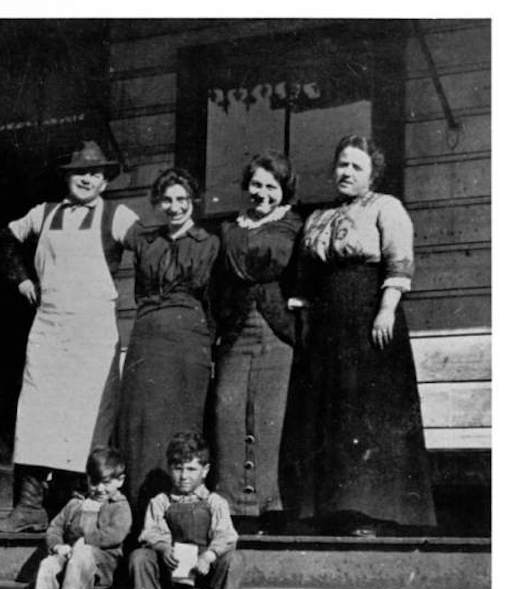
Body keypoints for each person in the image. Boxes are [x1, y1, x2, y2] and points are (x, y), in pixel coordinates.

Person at [286, 135, 436, 537]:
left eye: (356, 166)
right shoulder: (317, 217)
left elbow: (399, 261)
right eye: (341, 165)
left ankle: (368, 512)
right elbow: (304, 278)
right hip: (327, 327)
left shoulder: (386, 208)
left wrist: (386, 309)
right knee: (328, 412)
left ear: (372, 173)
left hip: (370, 320)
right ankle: (327, 510)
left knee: (365, 412)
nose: (346, 172)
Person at [0, 141, 139, 533]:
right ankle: (29, 508)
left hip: (92, 334)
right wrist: (21, 279)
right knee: (37, 416)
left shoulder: (116, 215)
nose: (87, 178)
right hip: (51, 330)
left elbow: (151, 247)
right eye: (79, 172)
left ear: (105, 181)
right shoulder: (44, 213)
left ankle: (73, 510)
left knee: (85, 420)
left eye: (95, 173)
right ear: (67, 177)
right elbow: (3, 239)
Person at [116, 168, 219, 515]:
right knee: (141, 424)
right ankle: (139, 510)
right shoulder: (147, 242)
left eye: (182, 200)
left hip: (188, 343)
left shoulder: (209, 243)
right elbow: (141, 291)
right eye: (167, 200)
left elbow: (212, 299)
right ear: (158, 203)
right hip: (147, 339)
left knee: (182, 421)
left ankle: (183, 512)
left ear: (193, 202)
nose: (175, 207)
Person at [210, 152, 303, 533]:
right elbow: (218, 282)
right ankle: (234, 505)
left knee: (271, 415)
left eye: (271, 186)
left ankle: (271, 504)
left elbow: (307, 270)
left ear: (284, 191)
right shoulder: (229, 229)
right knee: (227, 412)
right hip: (235, 329)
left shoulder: (296, 226)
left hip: (276, 329)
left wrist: (299, 300)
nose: (262, 193)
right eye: (257, 185)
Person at [110, 431, 242, 589]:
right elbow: (151, 531)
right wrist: (163, 548)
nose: (184, 476)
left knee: (234, 560)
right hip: (171, 574)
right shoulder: (161, 501)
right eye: (177, 468)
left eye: (191, 469)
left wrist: (208, 557)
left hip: (203, 574)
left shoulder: (215, 502)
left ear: (205, 470)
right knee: (140, 555)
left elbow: (226, 535)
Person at [31, 446, 132, 589]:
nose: (100, 488)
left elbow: (115, 535)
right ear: (87, 478)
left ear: (120, 481)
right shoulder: (75, 504)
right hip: (73, 561)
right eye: (94, 482)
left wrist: (85, 541)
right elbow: (55, 527)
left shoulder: (119, 506)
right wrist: (58, 546)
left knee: (83, 551)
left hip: (104, 564)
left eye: (107, 482)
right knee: (49, 563)